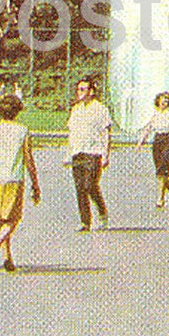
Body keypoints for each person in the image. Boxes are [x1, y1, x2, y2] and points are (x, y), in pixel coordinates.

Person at [0, 94, 39, 273]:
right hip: (13, 178)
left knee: (3, 219)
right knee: (14, 218)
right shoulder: (22, 131)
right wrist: (35, 183)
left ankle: (8, 258)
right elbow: (28, 159)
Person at [67, 78, 112, 232]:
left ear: (91, 92)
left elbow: (106, 133)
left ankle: (102, 213)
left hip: (94, 152)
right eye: (78, 89)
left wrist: (106, 154)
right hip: (78, 152)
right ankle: (85, 221)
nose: (79, 92)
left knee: (90, 185)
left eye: (83, 89)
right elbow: (72, 132)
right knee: (79, 188)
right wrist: (69, 153)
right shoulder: (76, 109)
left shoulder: (100, 109)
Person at [137, 91, 169, 210]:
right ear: (158, 101)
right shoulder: (154, 114)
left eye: (167, 100)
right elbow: (147, 129)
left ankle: (160, 198)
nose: (165, 102)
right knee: (160, 172)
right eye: (163, 100)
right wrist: (141, 142)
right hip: (158, 141)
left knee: (163, 169)